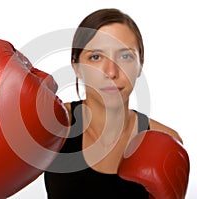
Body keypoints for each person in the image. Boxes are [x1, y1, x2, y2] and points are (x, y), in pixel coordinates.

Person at [43, 8, 186, 198]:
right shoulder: (53, 124)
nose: (111, 72)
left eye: (125, 56)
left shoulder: (166, 140)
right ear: (77, 67)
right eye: (96, 57)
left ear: (140, 65)